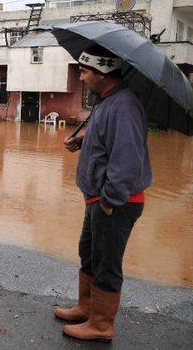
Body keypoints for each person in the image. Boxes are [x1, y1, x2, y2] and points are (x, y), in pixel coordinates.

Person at [56, 44, 152, 341]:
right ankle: (87, 307)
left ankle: (101, 325)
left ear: (103, 71)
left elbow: (126, 158)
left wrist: (110, 201)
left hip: (114, 201)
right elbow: (105, 139)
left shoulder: (124, 105)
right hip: (97, 197)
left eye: (85, 71)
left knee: (106, 261)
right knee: (90, 253)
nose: (81, 78)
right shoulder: (107, 101)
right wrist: (82, 140)